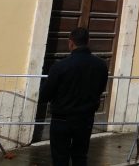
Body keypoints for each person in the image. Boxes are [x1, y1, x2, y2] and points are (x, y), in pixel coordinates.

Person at [41, 27, 109, 166]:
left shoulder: (60, 66)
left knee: (60, 157)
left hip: (62, 119)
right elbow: (100, 89)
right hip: (85, 118)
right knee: (80, 156)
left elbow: (45, 94)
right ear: (88, 41)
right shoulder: (101, 65)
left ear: (71, 43)